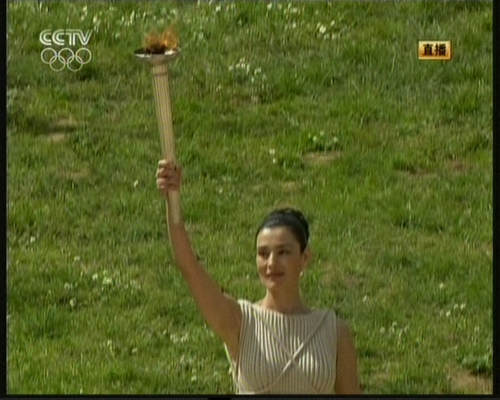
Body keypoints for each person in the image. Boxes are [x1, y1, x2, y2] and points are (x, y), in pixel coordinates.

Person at [156, 159, 362, 394]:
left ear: (304, 258)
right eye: (263, 254)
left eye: (283, 252)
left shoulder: (334, 331)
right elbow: (189, 267)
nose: (271, 263)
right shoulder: (240, 321)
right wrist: (172, 199)